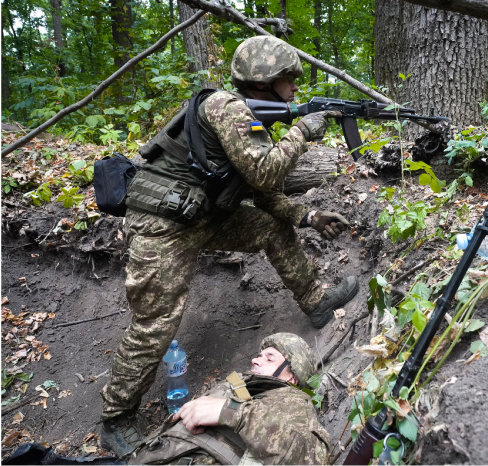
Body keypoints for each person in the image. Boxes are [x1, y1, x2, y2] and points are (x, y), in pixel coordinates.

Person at [100, 35, 359, 456]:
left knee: (270, 228)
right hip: (162, 226)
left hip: (201, 216)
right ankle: (115, 416)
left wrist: (305, 217)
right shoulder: (227, 107)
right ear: (264, 80)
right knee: (156, 323)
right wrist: (301, 132)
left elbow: (260, 191)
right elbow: (263, 171)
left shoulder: (250, 117)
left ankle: (316, 300)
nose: (295, 88)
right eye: (289, 79)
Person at [127, 332, 331, 465]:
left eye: (269, 357)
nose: (255, 359)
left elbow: (312, 457)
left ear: (292, 376)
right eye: (259, 355)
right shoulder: (239, 386)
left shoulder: (293, 402)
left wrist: (232, 412)